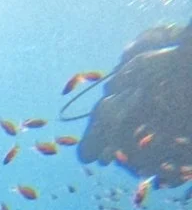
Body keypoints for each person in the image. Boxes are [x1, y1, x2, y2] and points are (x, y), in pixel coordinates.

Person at [76, 23, 192, 188]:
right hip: (142, 119)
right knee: (92, 150)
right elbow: (127, 75)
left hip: (163, 137)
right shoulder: (157, 63)